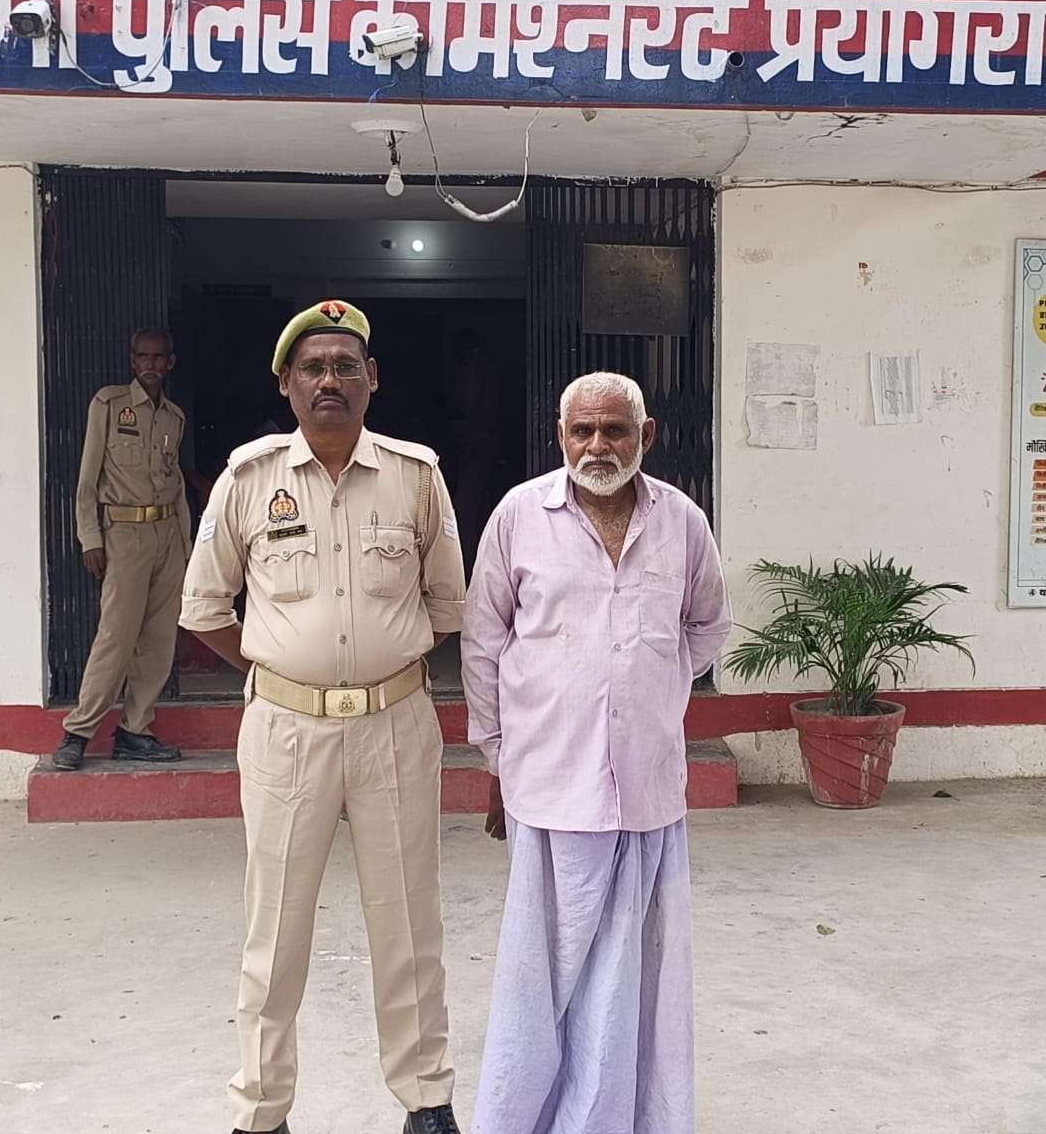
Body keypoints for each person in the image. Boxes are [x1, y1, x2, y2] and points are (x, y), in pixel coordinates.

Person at [182, 300, 467, 1134]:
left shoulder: (416, 476)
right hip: (286, 733)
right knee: (274, 930)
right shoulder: (248, 479)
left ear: (372, 379)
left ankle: (427, 1099)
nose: (329, 380)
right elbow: (204, 609)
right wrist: (280, 669)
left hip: (395, 725)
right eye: (312, 368)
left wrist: (374, 662)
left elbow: (447, 603)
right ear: (286, 384)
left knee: (409, 921)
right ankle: (260, 1110)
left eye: (346, 365)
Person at [460, 371, 732, 1134]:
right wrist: (497, 756)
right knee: (540, 978)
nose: (597, 446)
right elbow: (482, 641)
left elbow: (709, 624)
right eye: (582, 431)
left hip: (645, 787)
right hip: (550, 783)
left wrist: (653, 684)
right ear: (561, 436)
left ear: (647, 437)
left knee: (628, 975)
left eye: (615, 430)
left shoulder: (681, 521)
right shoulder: (520, 515)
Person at [52, 330, 189, 771]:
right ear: (132, 361)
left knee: (158, 640)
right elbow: (87, 481)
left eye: (158, 357)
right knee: (115, 636)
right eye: (142, 356)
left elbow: (176, 484)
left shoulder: (174, 417)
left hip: (167, 534)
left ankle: (135, 731)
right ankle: (77, 732)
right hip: (123, 535)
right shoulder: (109, 405)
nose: (150, 364)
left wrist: (187, 548)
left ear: (170, 362)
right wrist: (90, 538)